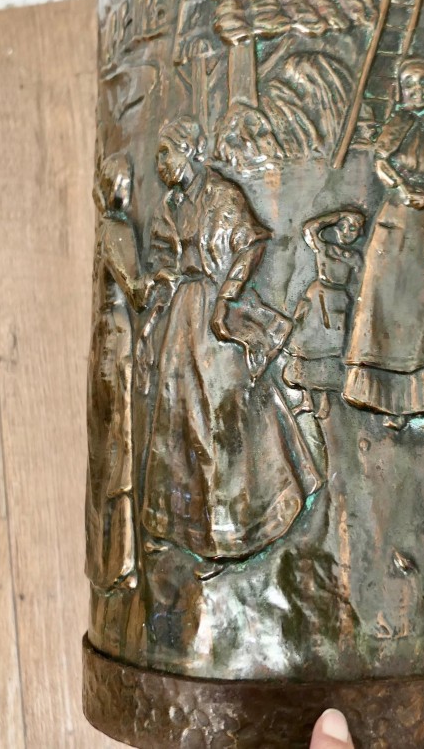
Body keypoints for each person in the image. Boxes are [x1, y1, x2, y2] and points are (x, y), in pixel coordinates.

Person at [138, 116, 322, 566]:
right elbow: (164, 257)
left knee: (225, 413)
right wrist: (158, 296)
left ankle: (243, 522)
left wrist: (226, 297)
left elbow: (251, 243)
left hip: (210, 310)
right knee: (180, 415)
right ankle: (184, 524)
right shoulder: (172, 205)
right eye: (159, 156)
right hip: (183, 315)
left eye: (167, 153)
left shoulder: (220, 196)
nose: (161, 165)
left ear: (189, 151)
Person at [344, 58, 424, 432]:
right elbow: (382, 162)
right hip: (397, 225)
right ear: (400, 90)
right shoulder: (397, 125)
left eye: (423, 84)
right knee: (387, 308)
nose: (417, 91)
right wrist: (402, 189)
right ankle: (389, 403)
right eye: (410, 84)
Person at [86, 151, 145, 590]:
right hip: (120, 337)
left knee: (108, 442)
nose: (127, 186)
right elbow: (137, 290)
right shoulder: (118, 229)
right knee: (120, 440)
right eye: (125, 179)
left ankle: (108, 559)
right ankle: (120, 559)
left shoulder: (107, 229)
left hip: (106, 335)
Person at [284, 209, 364, 419]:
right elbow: (309, 229)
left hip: (336, 302)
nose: (349, 232)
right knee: (304, 346)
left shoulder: (354, 258)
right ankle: (307, 400)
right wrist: (338, 216)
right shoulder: (325, 248)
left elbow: (362, 282)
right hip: (317, 298)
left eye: (355, 229)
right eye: (345, 227)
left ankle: (326, 401)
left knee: (328, 351)